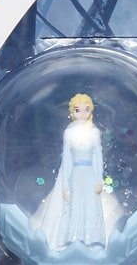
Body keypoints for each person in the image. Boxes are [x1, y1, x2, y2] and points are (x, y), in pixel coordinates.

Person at [40, 92, 107, 248]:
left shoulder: (94, 132)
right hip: (75, 174)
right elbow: (67, 160)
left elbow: (98, 157)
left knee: (91, 204)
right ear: (72, 112)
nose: (82, 113)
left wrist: (99, 180)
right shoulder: (68, 133)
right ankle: (73, 237)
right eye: (78, 110)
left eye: (86, 109)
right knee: (74, 204)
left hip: (90, 174)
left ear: (91, 111)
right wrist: (65, 187)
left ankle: (92, 238)